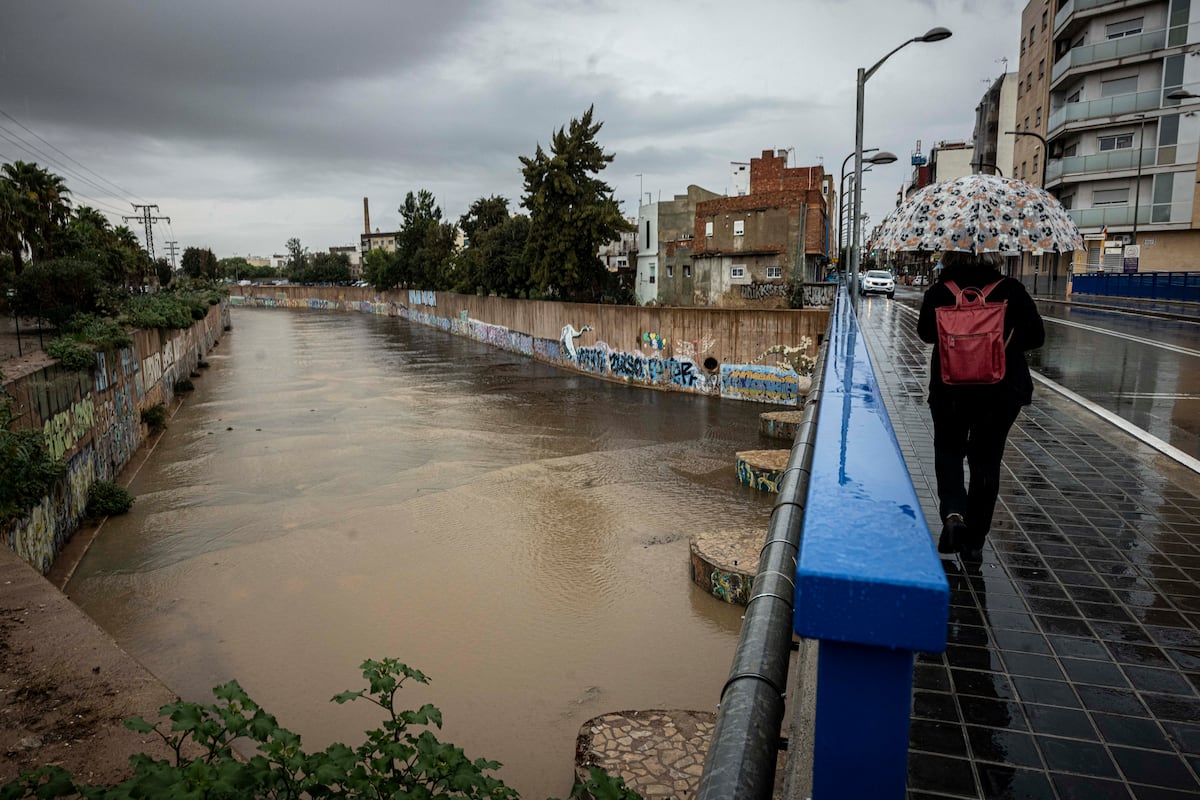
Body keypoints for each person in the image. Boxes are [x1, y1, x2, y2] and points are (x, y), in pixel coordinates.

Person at [917, 251, 1045, 561]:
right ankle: (974, 541)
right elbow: (1037, 336)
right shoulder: (1011, 289)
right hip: (1000, 392)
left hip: (950, 391)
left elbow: (925, 334)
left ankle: (953, 516)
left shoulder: (940, 292)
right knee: (986, 460)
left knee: (948, 451)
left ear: (950, 255)